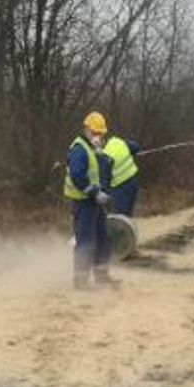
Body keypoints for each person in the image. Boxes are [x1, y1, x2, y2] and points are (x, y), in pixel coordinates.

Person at [64, 112, 119, 290]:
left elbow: (101, 172)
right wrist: (95, 193)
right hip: (83, 202)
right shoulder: (79, 149)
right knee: (86, 241)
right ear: (86, 129)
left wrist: (99, 154)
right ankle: (80, 281)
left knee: (103, 238)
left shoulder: (92, 148)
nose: (98, 137)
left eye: (100, 134)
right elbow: (77, 176)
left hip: (93, 202)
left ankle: (102, 276)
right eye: (95, 133)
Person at [103, 132, 141, 217]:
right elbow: (136, 147)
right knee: (127, 216)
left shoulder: (104, 156)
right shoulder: (116, 141)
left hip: (119, 188)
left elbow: (105, 180)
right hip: (133, 181)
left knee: (120, 217)